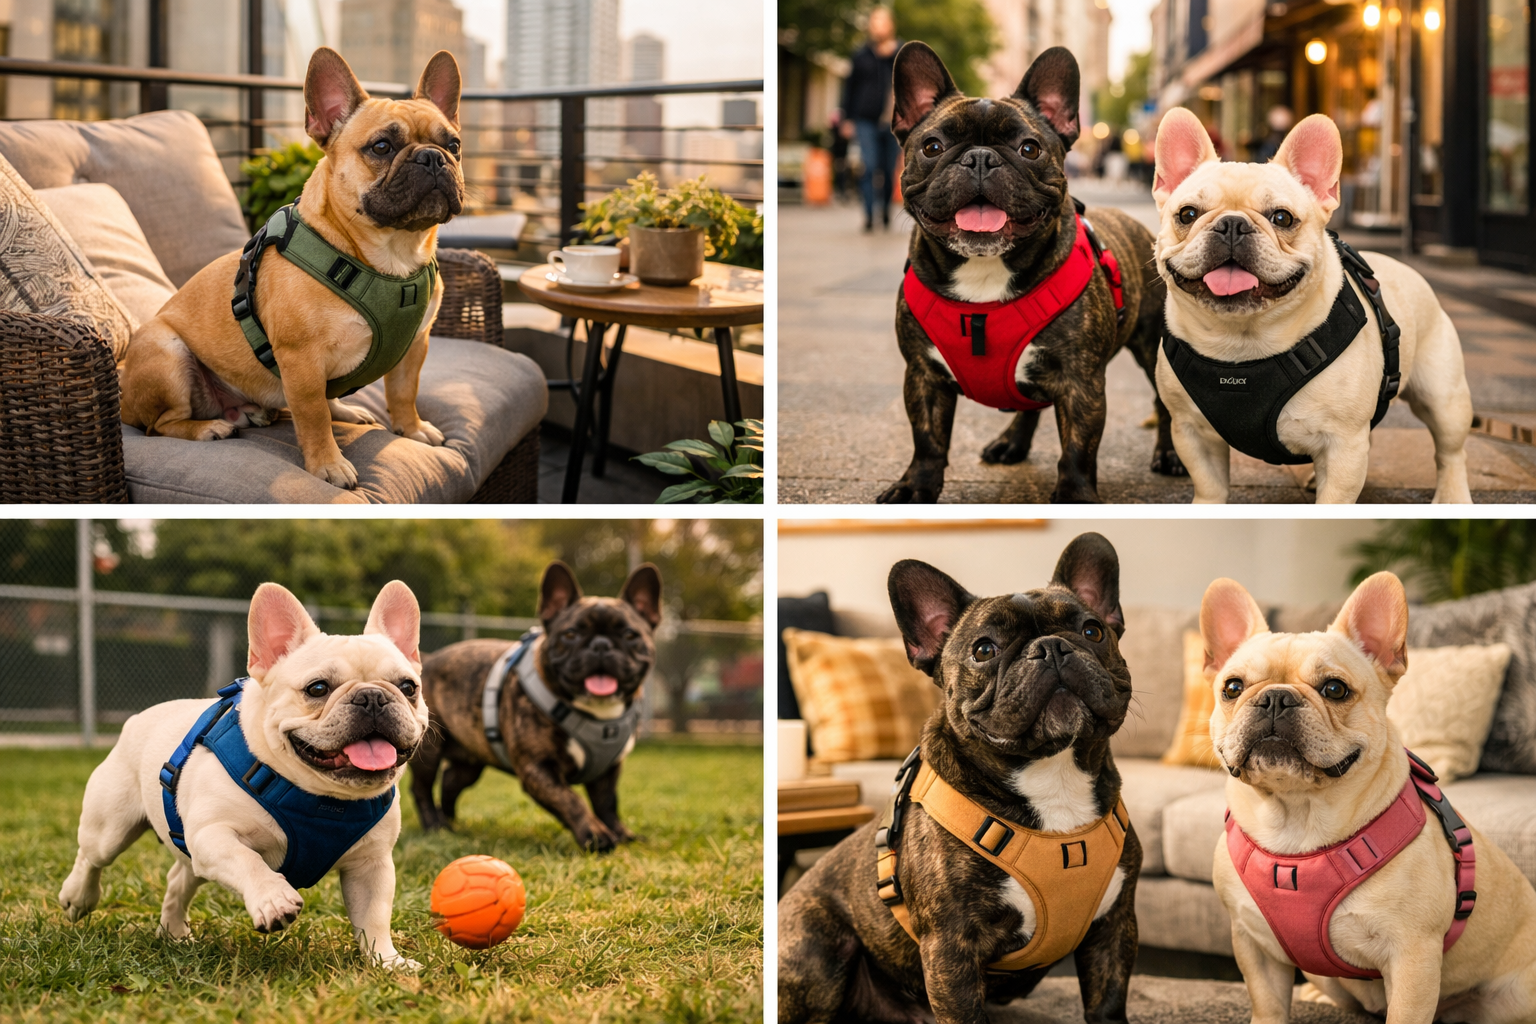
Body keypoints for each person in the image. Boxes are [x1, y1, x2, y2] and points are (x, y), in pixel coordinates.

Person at [838, 6, 902, 231]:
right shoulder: (861, 54)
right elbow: (849, 88)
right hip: (865, 120)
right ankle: (868, 215)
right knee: (868, 166)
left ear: (890, 25)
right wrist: (846, 118)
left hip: (895, 122)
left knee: (887, 169)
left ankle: (884, 210)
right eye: (874, 22)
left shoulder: (902, 53)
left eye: (881, 22)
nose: (877, 27)